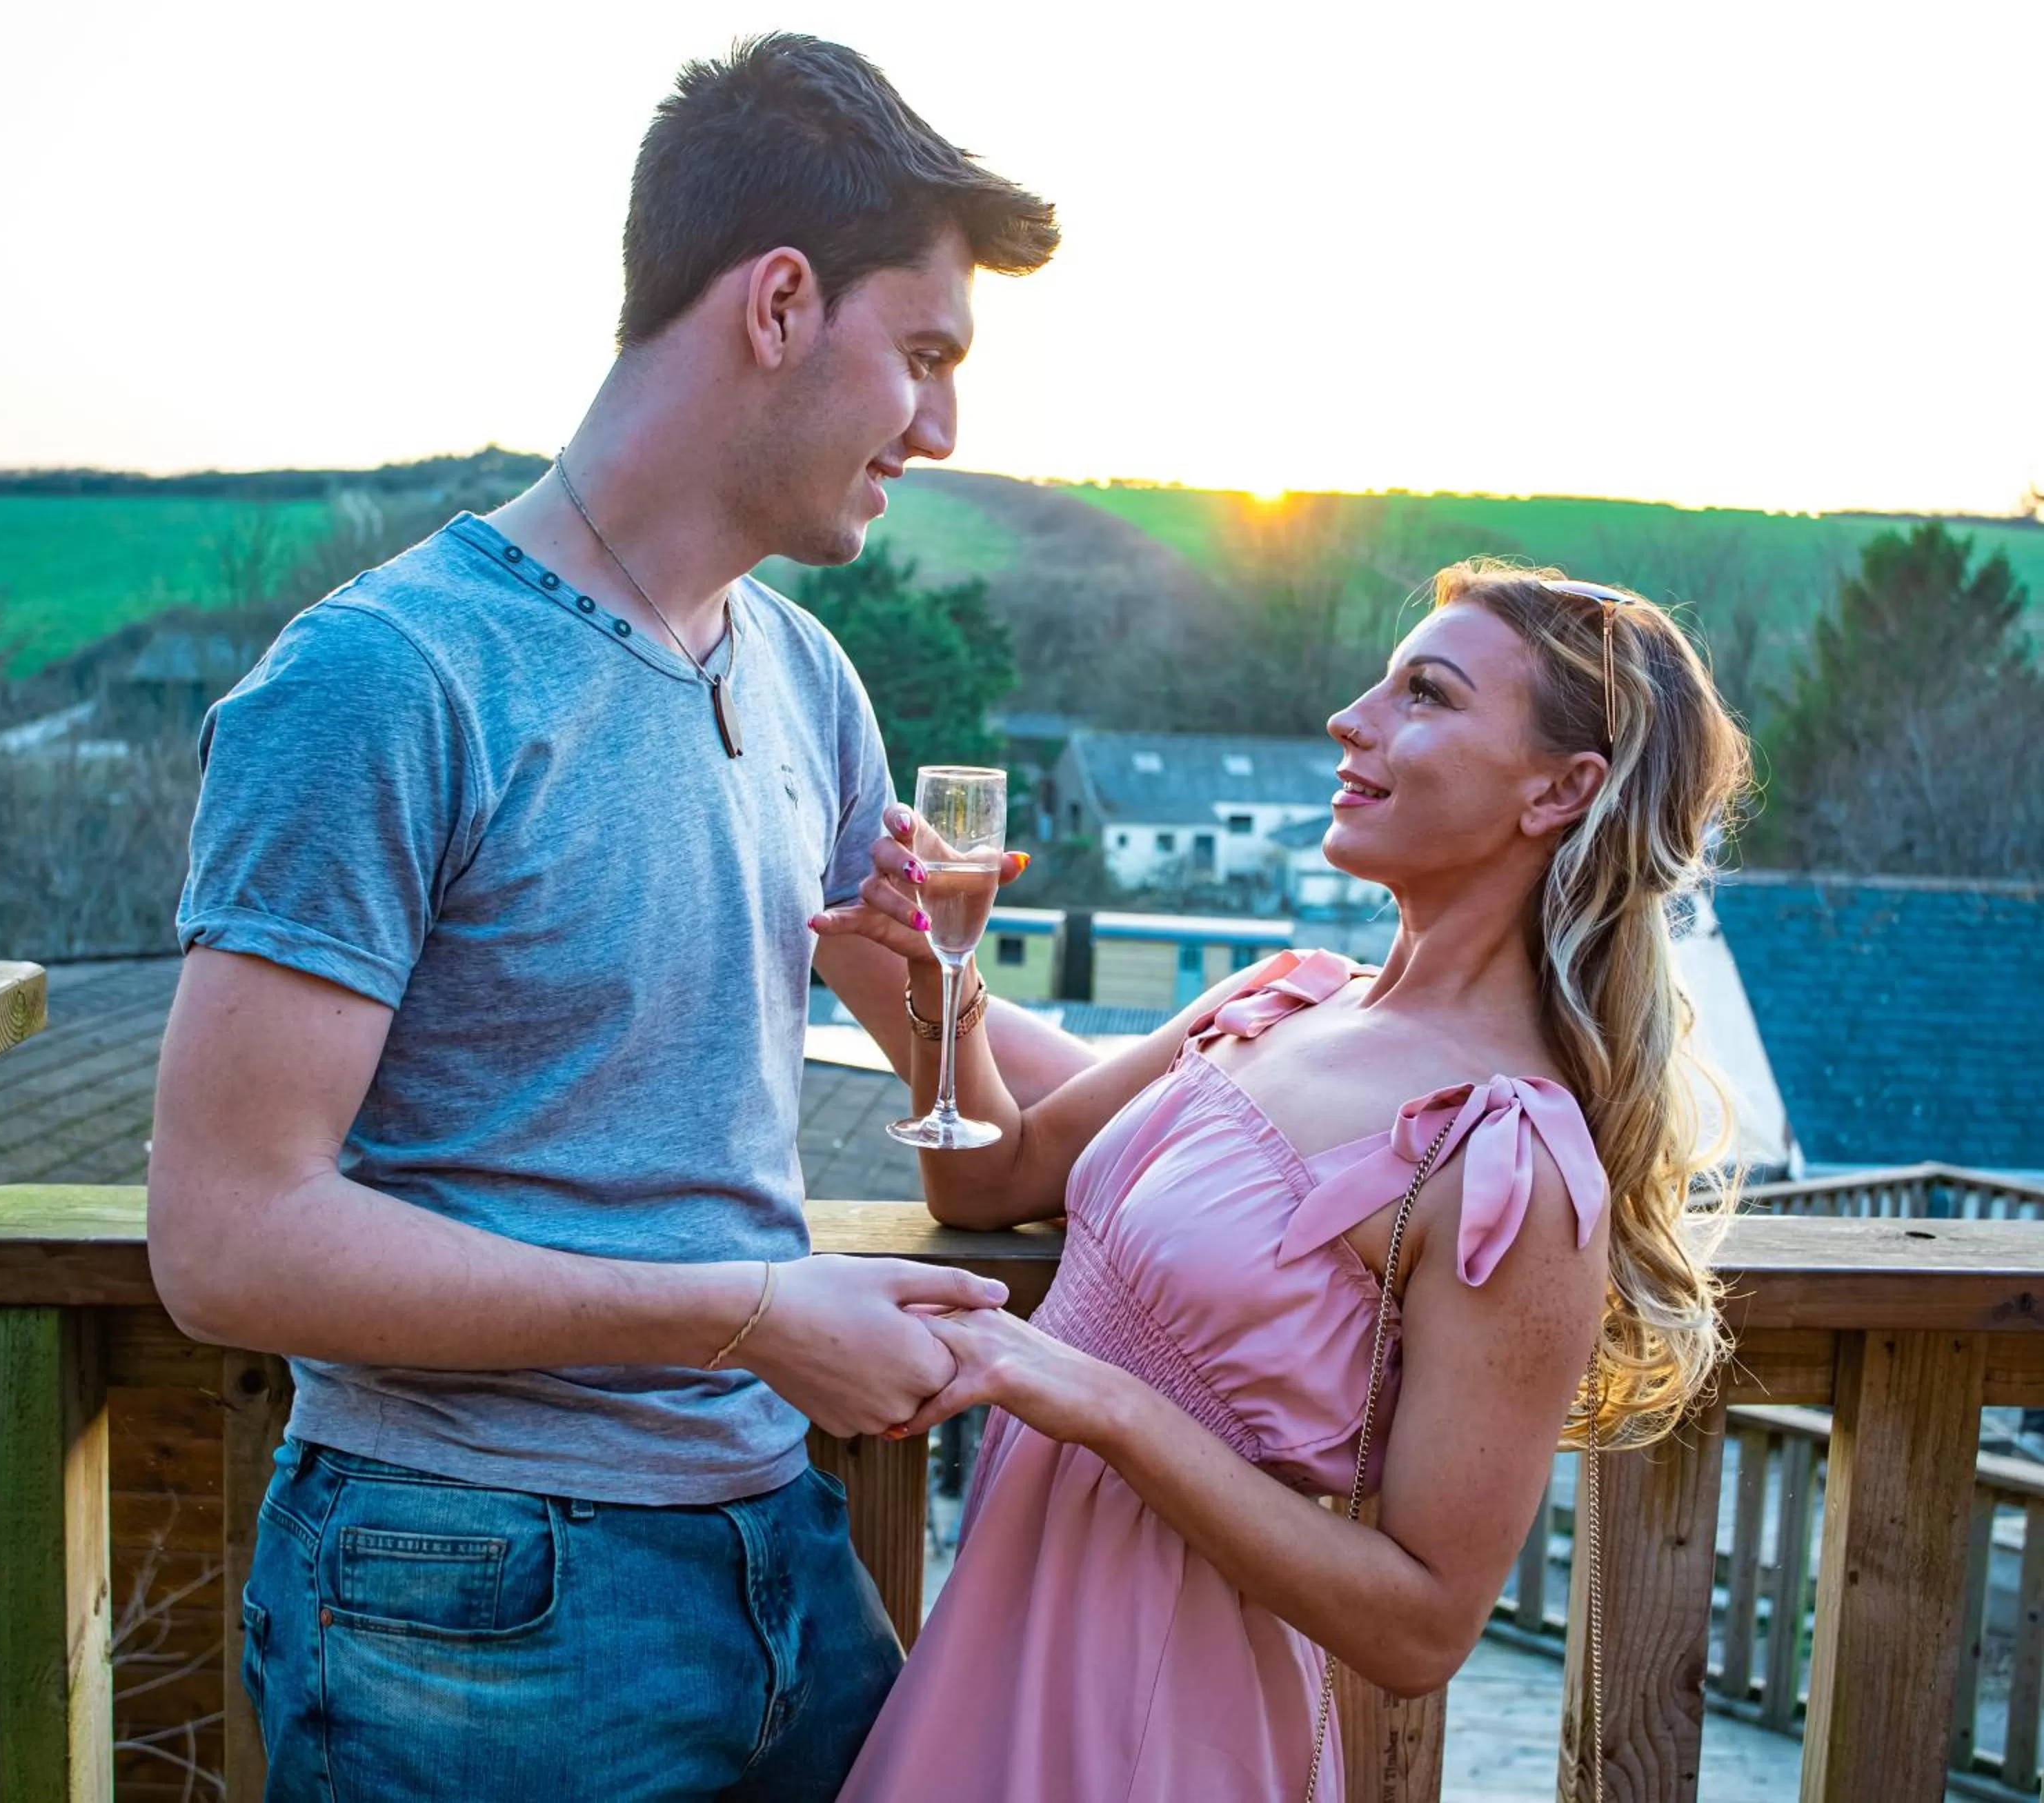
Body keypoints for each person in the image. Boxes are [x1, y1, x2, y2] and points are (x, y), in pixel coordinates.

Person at [145, 34, 1089, 1803]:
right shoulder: (386, 679)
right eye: (928, 356)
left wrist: (1271, 1042)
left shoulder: (806, 679)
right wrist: (748, 1312)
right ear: (783, 303)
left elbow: (983, 1135)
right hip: (462, 1590)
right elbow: (224, 1238)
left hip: (780, 1559)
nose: (947, 430)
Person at [815, 561, 1752, 1801]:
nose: (1349, 718)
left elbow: (1422, 1628)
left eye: (1425, 694)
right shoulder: (1283, 998)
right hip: (998, 1632)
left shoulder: (1503, 1159)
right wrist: (935, 979)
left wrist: (1092, 1399)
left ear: (1560, 789)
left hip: (1156, 1712)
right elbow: (1000, 1179)